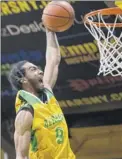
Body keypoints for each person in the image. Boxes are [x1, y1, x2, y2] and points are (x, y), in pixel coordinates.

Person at [8, 28, 75, 159]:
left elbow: (53, 60)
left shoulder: (47, 91)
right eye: (33, 69)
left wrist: (50, 30)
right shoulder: (25, 112)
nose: (40, 71)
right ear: (22, 78)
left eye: (38, 68)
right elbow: (20, 155)